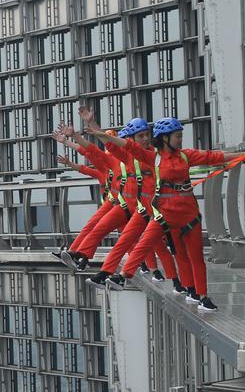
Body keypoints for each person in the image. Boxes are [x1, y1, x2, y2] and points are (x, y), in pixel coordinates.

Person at [86, 117, 245, 312]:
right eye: (178, 136)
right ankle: (122, 276)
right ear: (165, 138)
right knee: (144, 243)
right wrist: (98, 132)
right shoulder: (153, 158)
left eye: (181, 135)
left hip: (189, 215)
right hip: (165, 213)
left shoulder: (186, 156)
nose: (181, 139)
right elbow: (126, 145)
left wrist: (243, 155)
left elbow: (213, 157)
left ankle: (202, 297)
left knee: (195, 257)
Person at [56, 111, 179, 287]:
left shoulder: (155, 157)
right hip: (129, 207)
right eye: (140, 136)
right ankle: (85, 259)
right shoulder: (118, 161)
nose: (145, 138)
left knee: (156, 246)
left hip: (152, 209)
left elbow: (98, 151)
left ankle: (173, 280)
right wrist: (76, 135)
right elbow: (93, 152)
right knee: (108, 232)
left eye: (146, 135)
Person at [51, 128, 129, 272]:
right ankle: (76, 253)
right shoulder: (107, 166)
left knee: (126, 236)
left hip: (127, 205)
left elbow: (90, 155)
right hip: (115, 203)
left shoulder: (125, 162)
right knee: (94, 227)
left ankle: (80, 256)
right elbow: (89, 156)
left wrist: (69, 141)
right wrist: (68, 143)